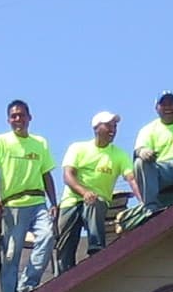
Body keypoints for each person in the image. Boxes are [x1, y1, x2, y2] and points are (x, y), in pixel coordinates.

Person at [0, 100, 58, 292]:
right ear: (8, 120)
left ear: (29, 118)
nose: (18, 119)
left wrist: (54, 202)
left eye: (22, 115)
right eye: (14, 116)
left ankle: (27, 285)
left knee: (47, 236)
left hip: (37, 201)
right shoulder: (0, 141)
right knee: (11, 253)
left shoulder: (40, 142)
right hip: (12, 204)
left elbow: (46, 174)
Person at [54, 112, 134, 279]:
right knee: (65, 245)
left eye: (115, 126)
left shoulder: (119, 154)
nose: (113, 129)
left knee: (94, 202)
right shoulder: (78, 148)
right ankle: (63, 277)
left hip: (97, 202)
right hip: (72, 201)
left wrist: (143, 198)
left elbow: (131, 177)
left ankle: (96, 250)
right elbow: (68, 175)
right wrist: (84, 192)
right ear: (97, 128)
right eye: (109, 125)